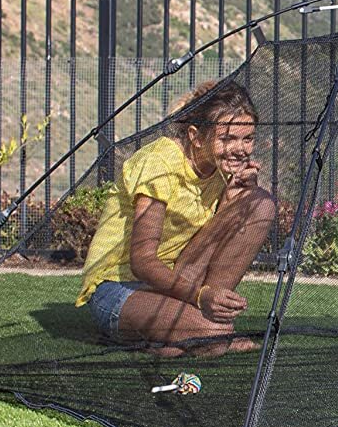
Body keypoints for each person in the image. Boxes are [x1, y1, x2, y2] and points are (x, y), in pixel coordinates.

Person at [76, 79, 275, 356]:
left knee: (260, 204)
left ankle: (206, 322)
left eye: (247, 138)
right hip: (118, 288)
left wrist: (235, 200)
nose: (240, 149)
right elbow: (143, 261)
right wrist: (200, 295)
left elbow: (210, 241)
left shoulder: (219, 167)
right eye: (227, 138)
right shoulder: (159, 163)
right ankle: (194, 331)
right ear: (196, 136)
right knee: (213, 337)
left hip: (173, 280)